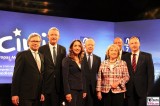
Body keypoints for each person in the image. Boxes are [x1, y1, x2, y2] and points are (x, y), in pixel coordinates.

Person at [11, 33, 45, 106]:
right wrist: (14, 94)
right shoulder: (22, 55)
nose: (35, 43)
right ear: (28, 42)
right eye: (33, 41)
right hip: (25, 95)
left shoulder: (41, 56)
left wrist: (42, 92)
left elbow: (41, 75)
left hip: (38, 95)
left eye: (37, 41)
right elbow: (16, 75)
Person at [122, 36, 154, 106]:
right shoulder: (124, 57)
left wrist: (150, 91)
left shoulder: (147, 56)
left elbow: (151, 75)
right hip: (129, 91)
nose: (134, 45)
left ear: (139, 44)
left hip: (143, 91)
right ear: (129, 45)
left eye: (136, 43)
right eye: (132, 43)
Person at [39, 27, 66, 106]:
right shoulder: (41, 49)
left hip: (58, 86)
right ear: (48, 36)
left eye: (56, 35)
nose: (54, 36)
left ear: (59, 37)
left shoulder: (63, 49)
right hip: (45, 85)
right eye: (52, 35)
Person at [62, 40, 87, 106]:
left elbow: (83, 76)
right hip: (71, 91)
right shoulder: (66, 60)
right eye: (75, 46)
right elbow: (65, 78)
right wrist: (67, 92)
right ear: (71, 48)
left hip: (80, 90)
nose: (77, 48)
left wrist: (84, 90)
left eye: (79, 46)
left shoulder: (82, 60)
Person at [83, 38, 101, 106]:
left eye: (92, 45)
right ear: (85, 46)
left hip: (93, 87)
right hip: (83, 86)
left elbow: (99, 74)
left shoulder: (98, 58)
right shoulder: (81, 57)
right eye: (88, 45)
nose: (90, 46)